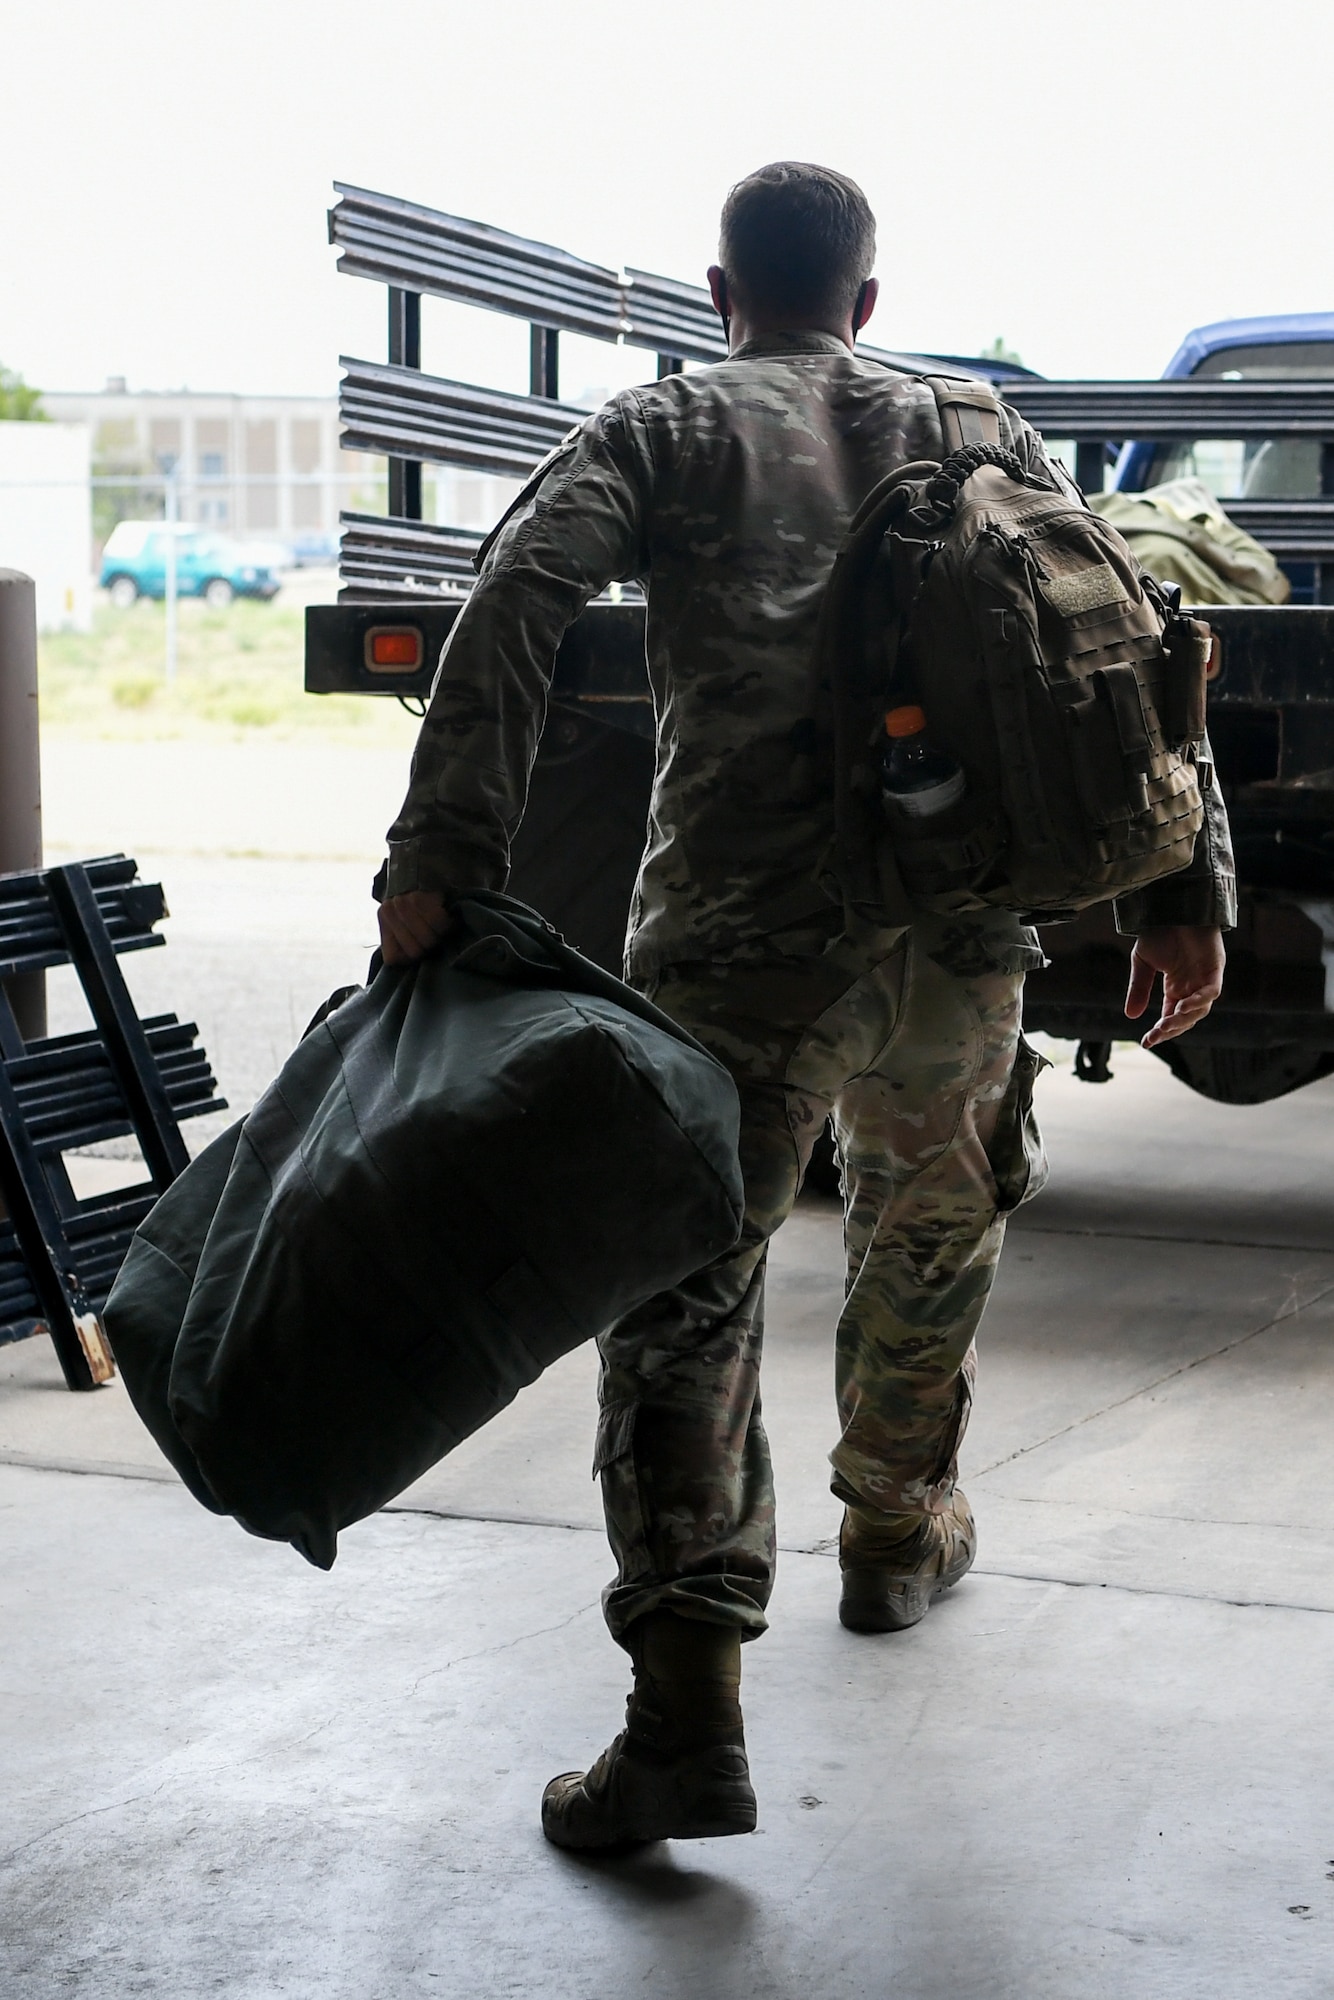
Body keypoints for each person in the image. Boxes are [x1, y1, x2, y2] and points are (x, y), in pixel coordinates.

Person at [375, 162, 1234, 1851]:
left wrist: (439, 855)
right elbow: (1125, 641)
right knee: (934, 1218)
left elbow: (516, 599)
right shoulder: (967, 416)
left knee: (687, 1288)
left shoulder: (664, 424)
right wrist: (1178, 885)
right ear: (864, 300)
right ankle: (899, 1529)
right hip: (958, 916)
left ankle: (684, 1712)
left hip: (743, 939)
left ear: (719, 291)